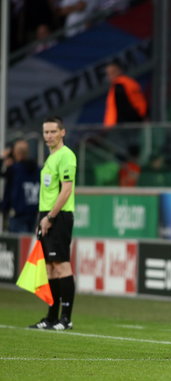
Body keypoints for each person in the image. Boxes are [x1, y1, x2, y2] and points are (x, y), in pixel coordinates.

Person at [29, 116, 77, 331]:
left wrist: (50, 217)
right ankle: (51, 317)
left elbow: (66, 190)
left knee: (61, 265)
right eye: (46, 132)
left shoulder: (66, 156)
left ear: (62, 132)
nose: (49, 136)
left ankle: (65, 318)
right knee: (49, 268)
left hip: (59, 216)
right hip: (47, 215)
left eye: (52, 132)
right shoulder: (51, 158)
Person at [2, 140, 40, 233]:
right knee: (29, 243)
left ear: (15, 152)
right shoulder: (38, 169)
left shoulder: (14, 169)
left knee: (18, 245)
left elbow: (8, 190)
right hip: (34, 212)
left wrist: (3, 158)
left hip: (17, 214)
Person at [103, 62, 147, 128]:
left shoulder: (120, 86)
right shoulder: (127, 83)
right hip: (133, 122)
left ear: (119, 71)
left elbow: (125, 108)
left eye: (113, 72)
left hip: (125, 126)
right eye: (108, 74)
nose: (110, 76)